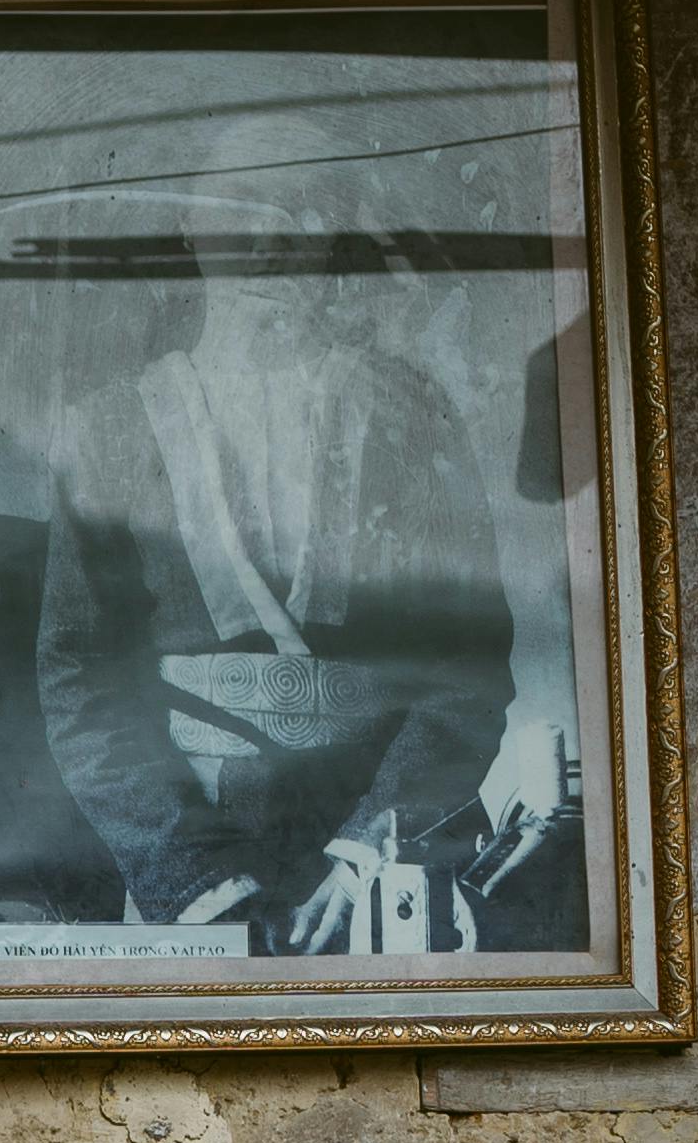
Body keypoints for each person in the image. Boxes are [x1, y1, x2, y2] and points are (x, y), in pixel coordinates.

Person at [30, 212, 555, 954]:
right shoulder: (109, 427)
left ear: (329, 234)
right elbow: (80, 680)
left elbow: (465, 671)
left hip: (379, 859)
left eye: (298, 208)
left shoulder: (416, 420)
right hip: (188, 866)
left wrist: (364, 857)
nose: (267, 241)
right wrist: (193, 883)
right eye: (237, 207)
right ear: (192, 228)